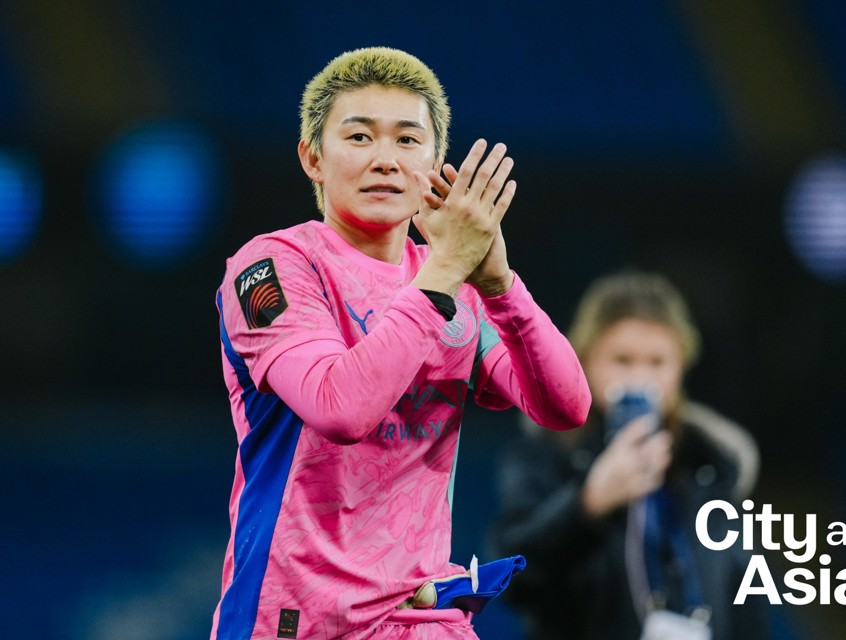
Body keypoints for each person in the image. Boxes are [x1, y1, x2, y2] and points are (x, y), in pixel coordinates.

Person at [210, 46, 590, 640]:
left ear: (436, 162)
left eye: (408, 142)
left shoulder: (460, 289)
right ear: (313, 157)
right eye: (359, 138)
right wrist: (446, 271)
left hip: (416, 616)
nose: (385, 160)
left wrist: (499, 285)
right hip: (293, 621)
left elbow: (565, 406)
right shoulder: (273, 267)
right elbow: (341, 408)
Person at [489, 271, 766, 640]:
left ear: (682, 365)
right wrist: (586, 505)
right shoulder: (545, 454)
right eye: (622, 360)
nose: (640, 378)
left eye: (657, 362)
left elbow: (743, 596)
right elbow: (511, 580)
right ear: (584, 360)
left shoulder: (713, 465)